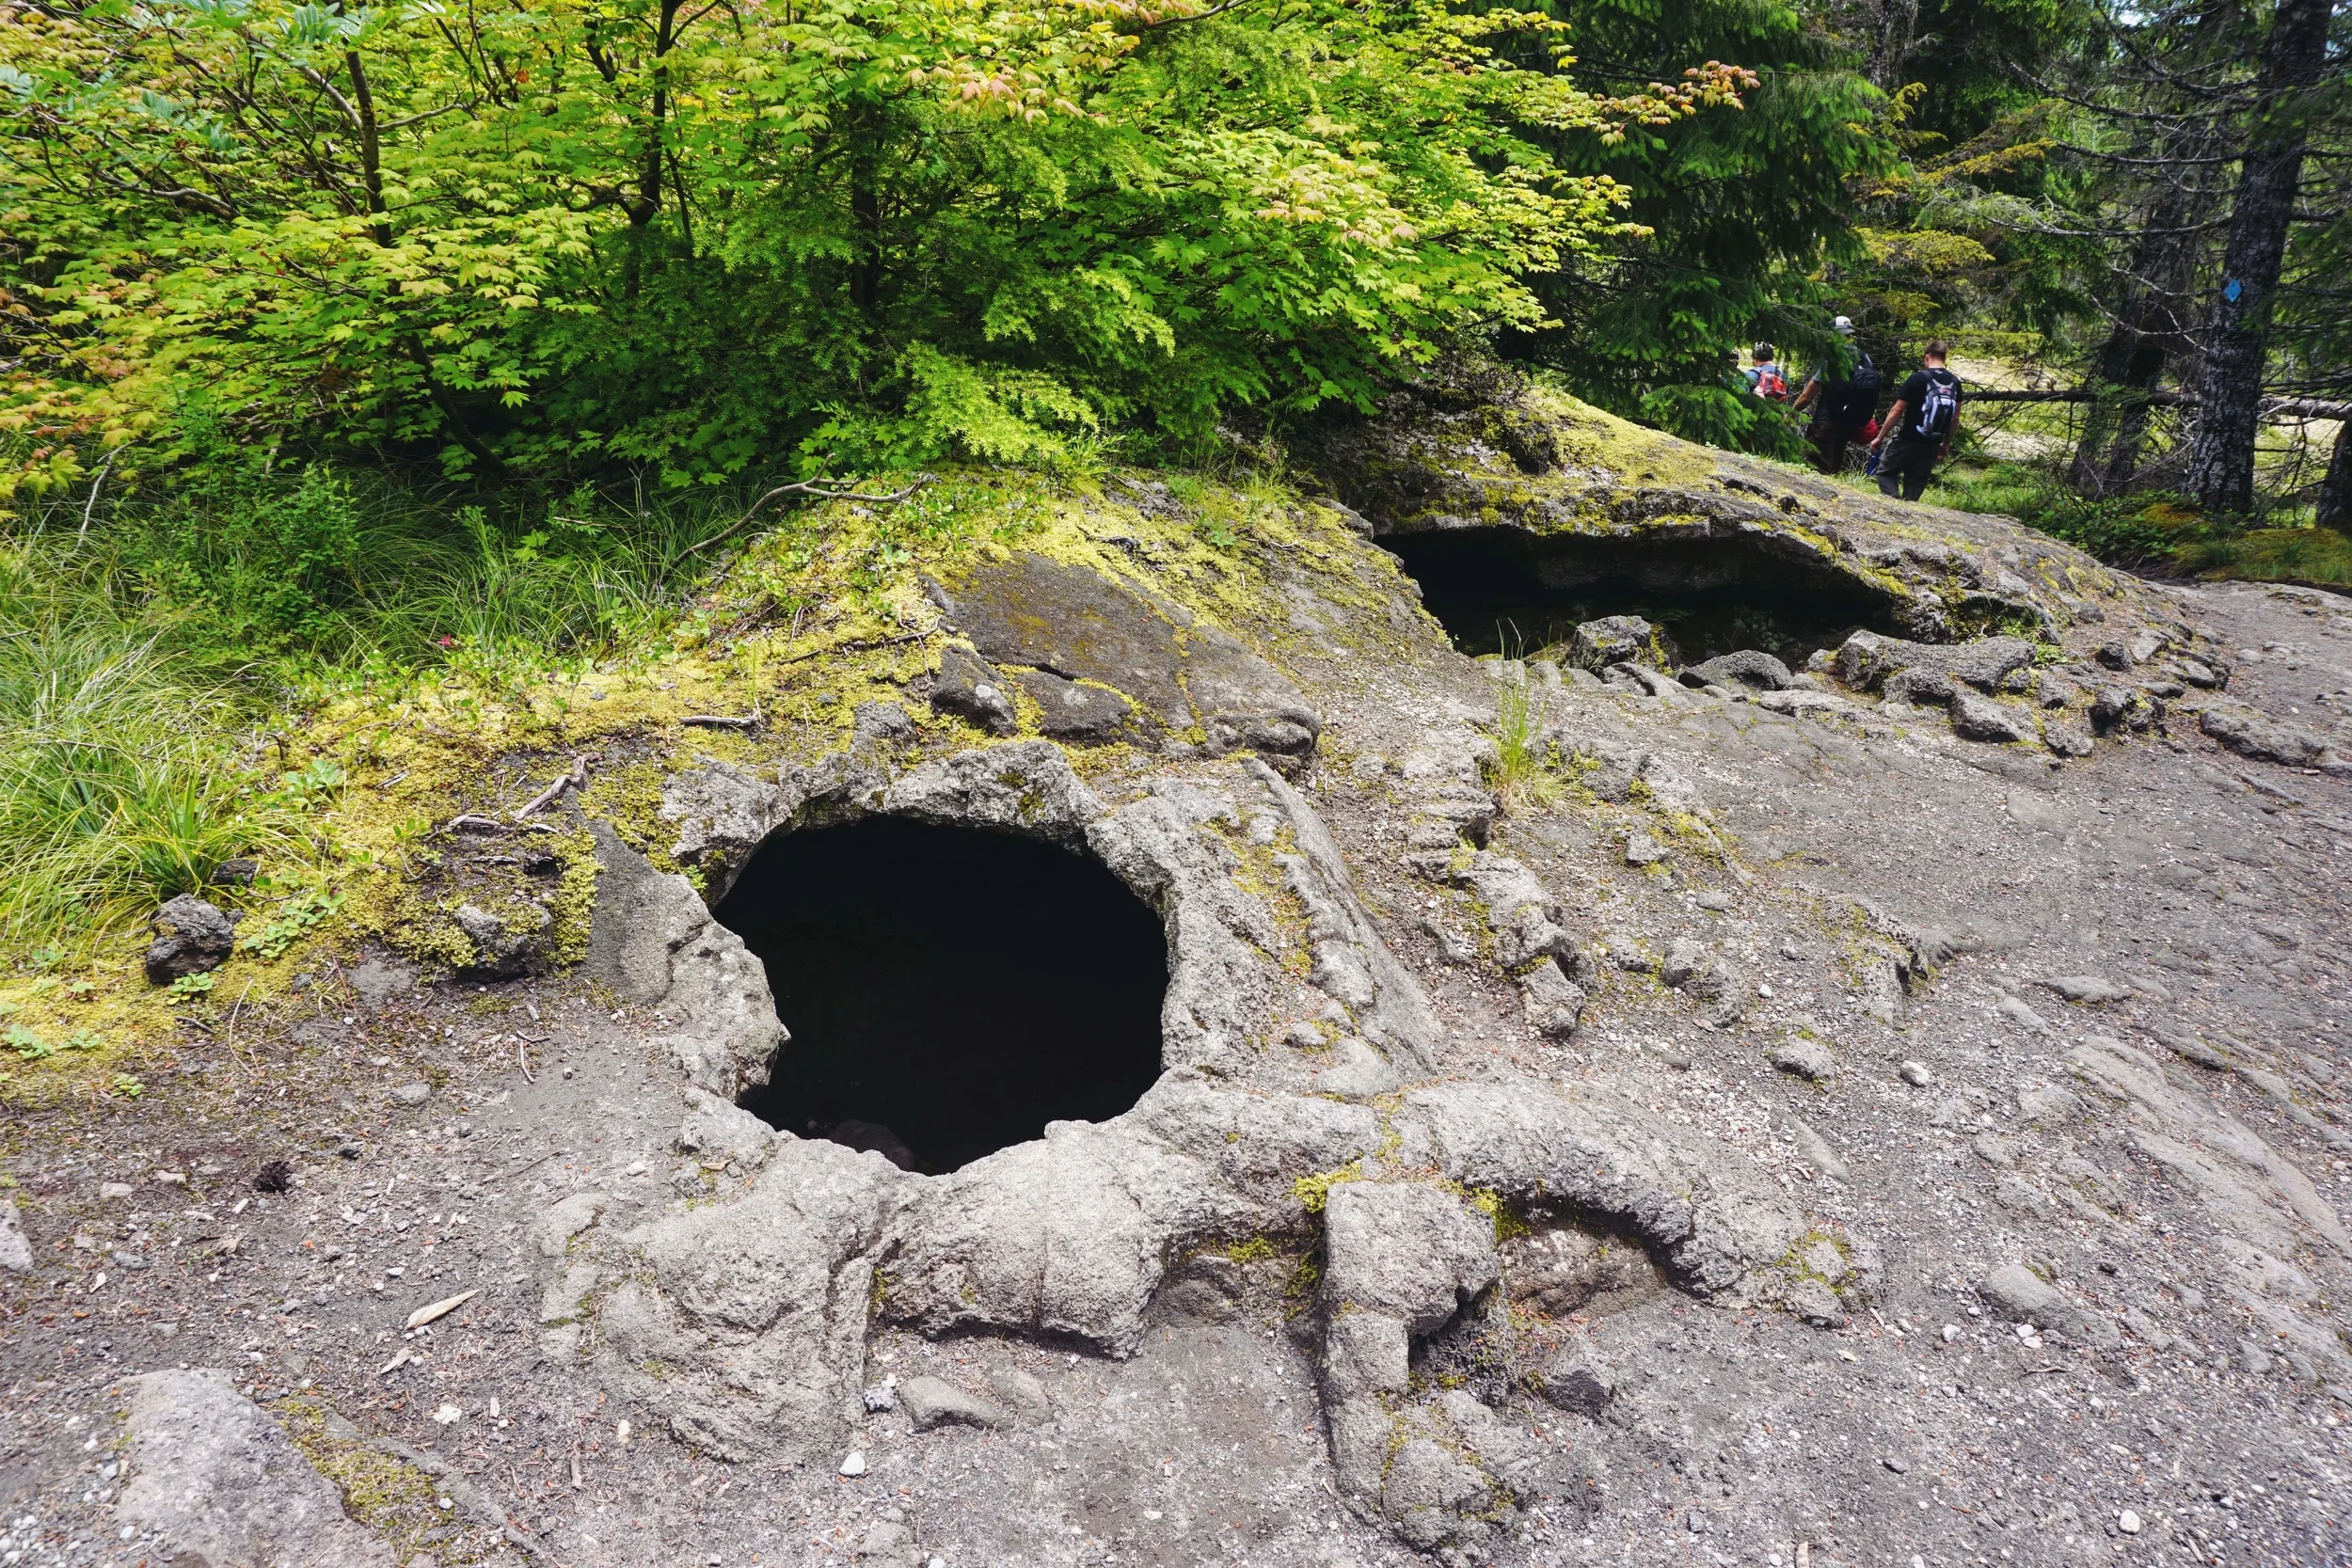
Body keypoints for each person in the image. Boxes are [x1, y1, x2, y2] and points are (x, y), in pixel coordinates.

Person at [1868, 340, 1962, 501]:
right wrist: (1946, 443)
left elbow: (1897, 410)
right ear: (1944, 357)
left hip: (1907, 439)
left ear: (1927, 357)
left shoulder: (1918, 378)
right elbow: (1955, 418)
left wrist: (1880, 437)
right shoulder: (1955, 383)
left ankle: (1893, 505)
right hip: (1932, 443)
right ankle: (1909, 511)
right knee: (1916, 481)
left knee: (1886, 471)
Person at [1792, 316, 1879, 474]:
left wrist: (1792, 412)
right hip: (1848, 423)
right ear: (1849, 335)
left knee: (1814, 466)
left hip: (1826, 422)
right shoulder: (1864, 357)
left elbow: (1807, 395)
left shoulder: (1831, 357)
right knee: (1833, 466)